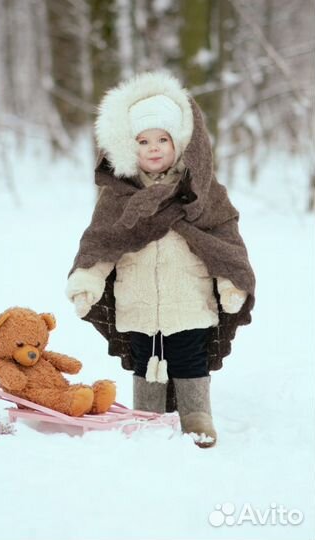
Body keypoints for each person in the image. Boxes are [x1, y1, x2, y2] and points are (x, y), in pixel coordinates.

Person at [66, 71, 256, 448]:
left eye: (162, 139)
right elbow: (103, 243)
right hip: (137, 299)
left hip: (188, 298)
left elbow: (221, 240)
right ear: (126, 147)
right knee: (144, 360)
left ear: (181, 143)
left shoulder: (201, 193)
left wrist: (230, 281)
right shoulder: (118, 198)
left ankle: (197, 415)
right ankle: (147, 415)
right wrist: (87, 281)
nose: (153, 148)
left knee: (189, 358)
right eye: (143, 141)